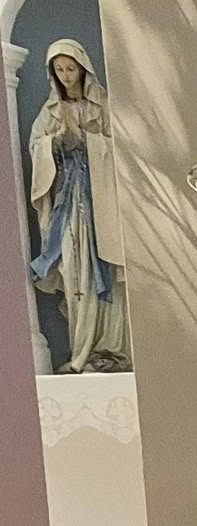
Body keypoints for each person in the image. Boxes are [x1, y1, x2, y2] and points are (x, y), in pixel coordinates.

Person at [27, 39, 127, 372]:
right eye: (59, 69)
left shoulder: (102, 106)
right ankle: (80, 348)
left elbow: (122, 147)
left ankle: (109, 347)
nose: (66, 75)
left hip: (102, 203)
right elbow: (36, 147)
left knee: (106, 263)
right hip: (68, 205)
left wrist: (90, 142)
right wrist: (56, 142)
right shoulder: (50, 112)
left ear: (83, 69)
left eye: (71, 68)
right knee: (73, 268)